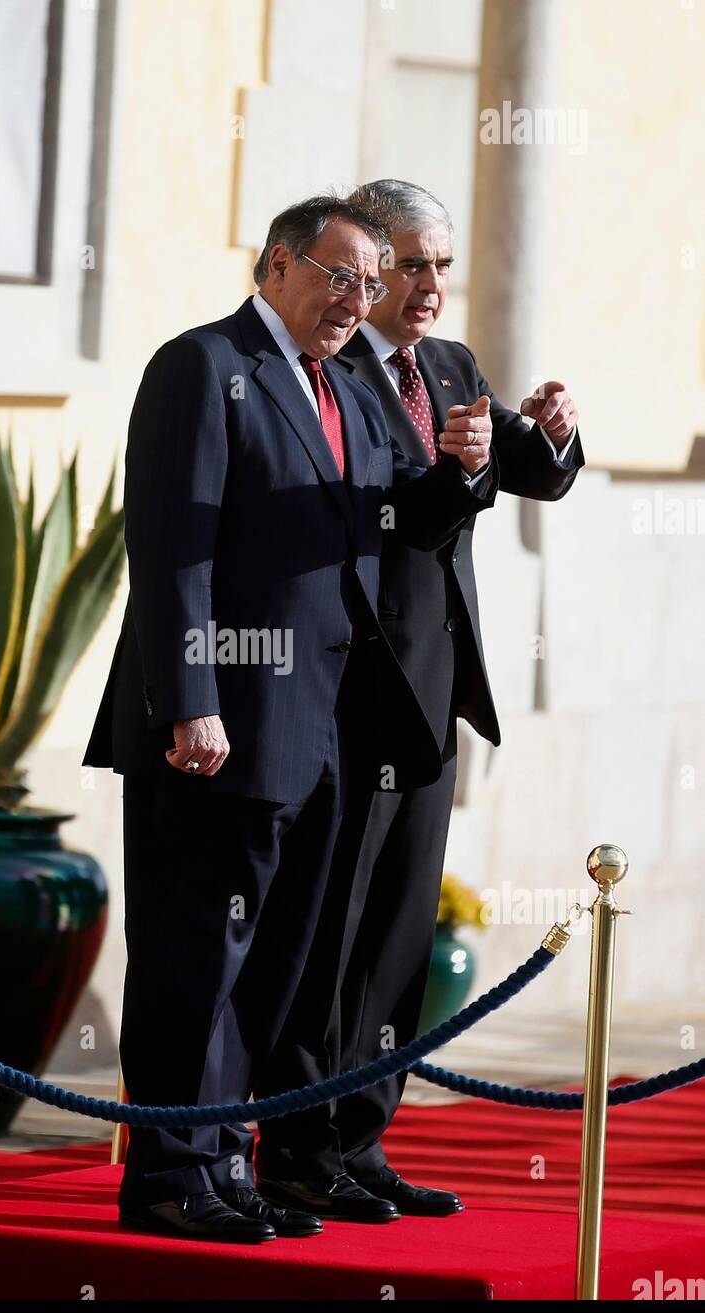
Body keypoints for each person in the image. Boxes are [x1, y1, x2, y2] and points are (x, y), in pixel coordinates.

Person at [82, 192, 496, 1243]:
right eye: (339, 275)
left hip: (319, 734)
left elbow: (399, 514)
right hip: (215, 727)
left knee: (270, 964)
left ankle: (225, 1157)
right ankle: (167, 1173)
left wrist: (465, 466)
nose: (358, 300)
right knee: (194, 960)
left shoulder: (346, 393)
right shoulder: (204, 367)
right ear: (275, 266)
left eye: (372, 282)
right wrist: (190, 699)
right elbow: (173, 547)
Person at [253, 178, 584, 1220]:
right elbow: (394, 513)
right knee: (328, 932)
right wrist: (459, 472)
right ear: (359, 265)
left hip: (430, 692)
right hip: (348, 687)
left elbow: (524, 476)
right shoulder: (324, 368)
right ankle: (296, 1144)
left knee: (396, 934)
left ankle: (360, 1142)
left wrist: (553, 435)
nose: (429, 283)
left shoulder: (445, 365)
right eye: (409, 262)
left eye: (441, 263)